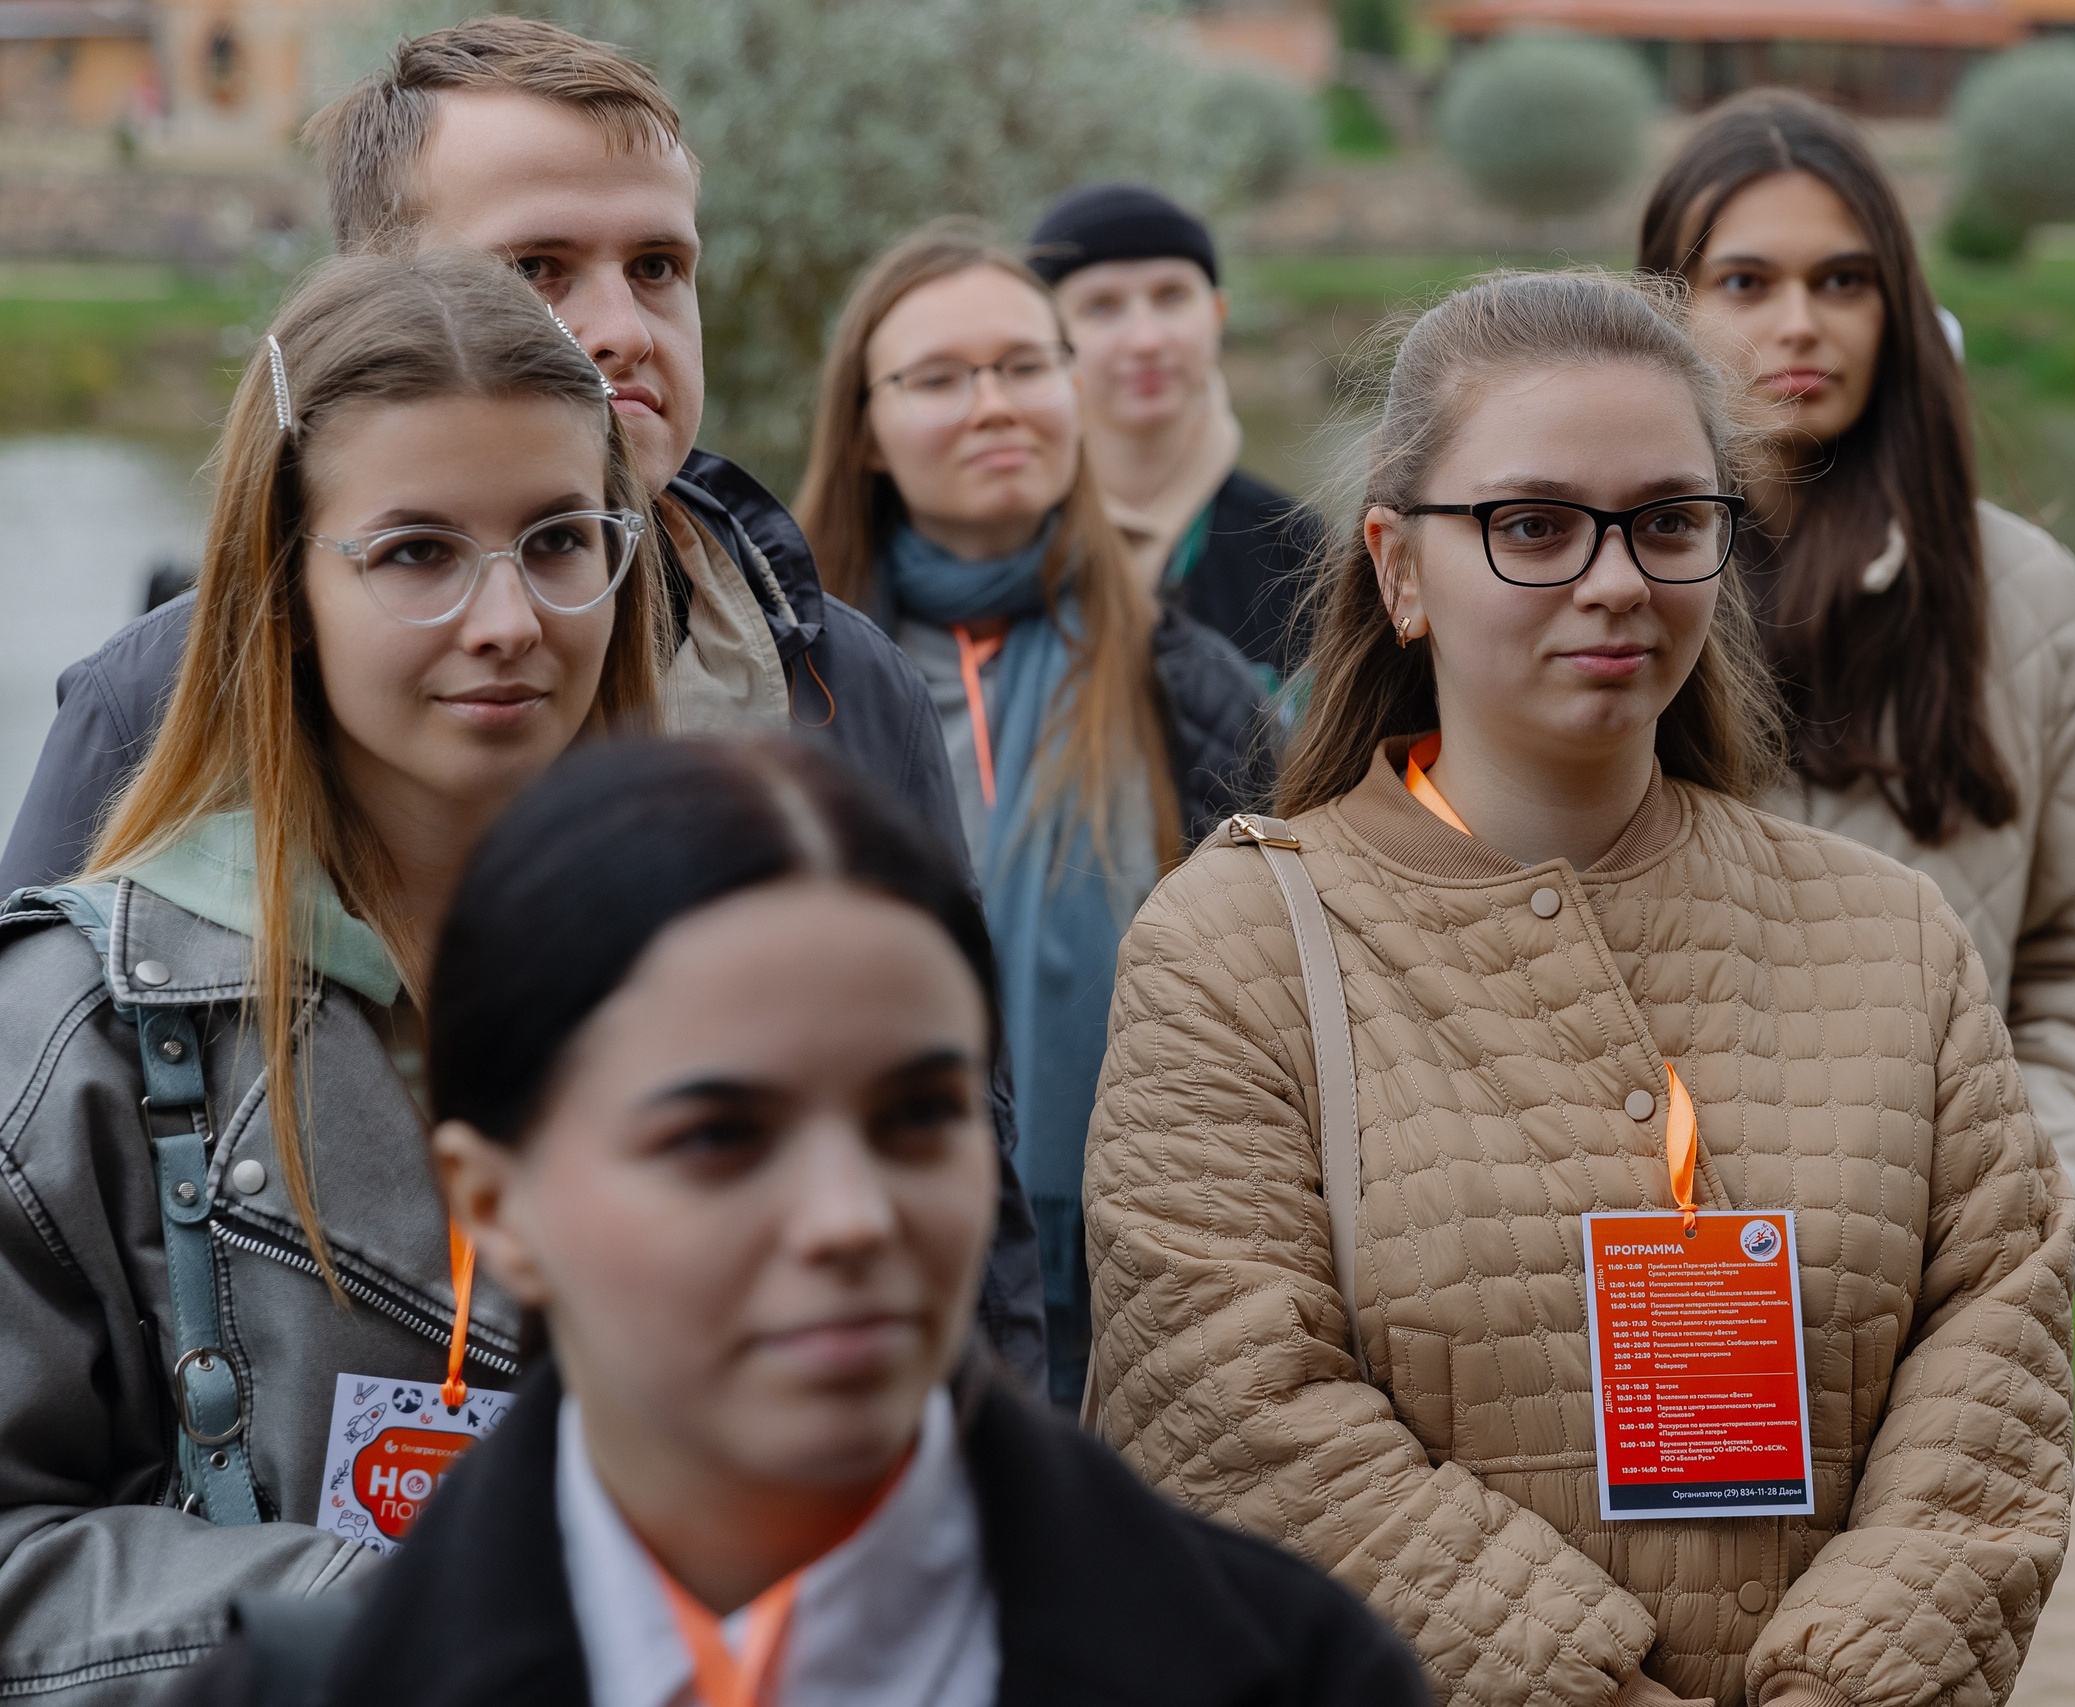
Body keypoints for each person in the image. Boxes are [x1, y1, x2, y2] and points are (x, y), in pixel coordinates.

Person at [0, 14, 1045, 1379]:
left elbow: (970, 1191)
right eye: (538, 267)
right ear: (378, 305)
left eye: (659, 266)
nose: (621, 328)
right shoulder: (158, 697)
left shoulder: (836, 681)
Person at [1083, 271, 2074, 1707]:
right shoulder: (1229, 951)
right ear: (1399, 567)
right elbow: (1231, 1416)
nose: (1615, 580)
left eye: (1668, 521)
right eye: (1533, 526)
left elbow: (1995, 1368)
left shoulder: (1893, 936)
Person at [167, 736, 1432, 1707]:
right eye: (720, 1139)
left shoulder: (1296, 1677)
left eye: (917, 1118)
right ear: (496, 1207)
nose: (849, 1220)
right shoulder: (298, 1692)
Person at [0, 251, 666, 1703]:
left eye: (561, 539)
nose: (509, 619)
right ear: (284, 584)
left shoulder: (737, 983)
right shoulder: (79, 1031)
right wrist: (373, 1620)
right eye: (418, 552)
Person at [1637, 90, 2075, 1289]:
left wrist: (2043, 1223)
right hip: (1655, 1286)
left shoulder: (2025, 596)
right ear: (1664, 307)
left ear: (1898, 308)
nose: (1799, 324)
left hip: (1945, 1284)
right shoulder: (1599, 595)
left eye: (1843, 281)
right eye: (1744, 282)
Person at [795, 220, 1270, 1407]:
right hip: (855, 1256)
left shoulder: (1188, 687)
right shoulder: (782, 683)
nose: (995, 406)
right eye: (939, 379)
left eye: (1023, 365)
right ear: (864, 430)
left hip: (1150, 1280)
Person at [1029, 182, 1326, 684]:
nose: (1146, 339)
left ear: (1218, 315)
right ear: (1046, 337)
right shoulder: (1001, 539)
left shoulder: (1302, 556)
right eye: (1101, 306)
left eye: (1171, 296)